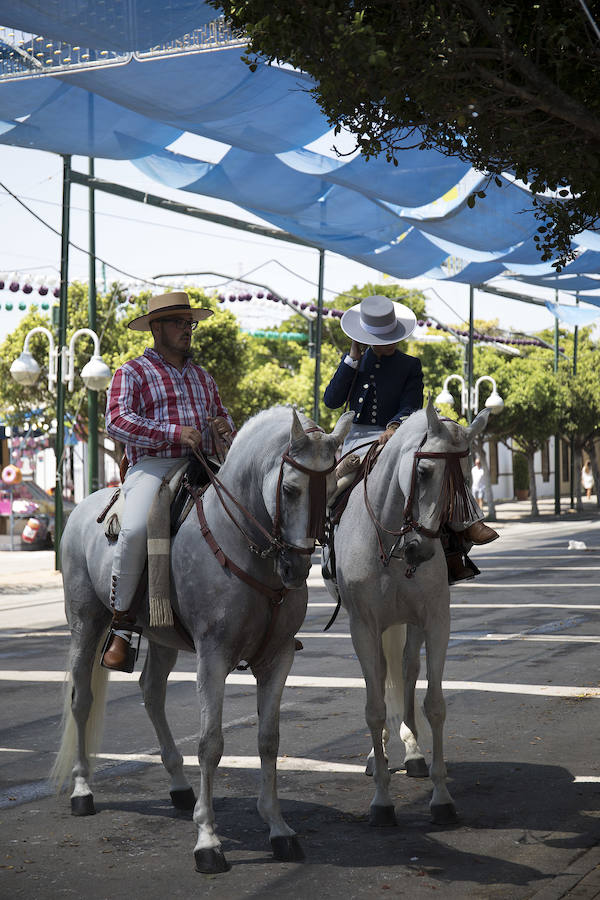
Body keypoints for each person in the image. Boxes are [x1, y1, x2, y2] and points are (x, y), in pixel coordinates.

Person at [101, 291, 235, 671]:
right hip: (154, 468)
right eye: (178, 322)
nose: (186, 329)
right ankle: (122, 627)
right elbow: (116, 421)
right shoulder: (132, 371)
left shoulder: (203, 377)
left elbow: (222, 419)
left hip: (203, 464)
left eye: (189, 323)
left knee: (250, 515)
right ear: (156, 327)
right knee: (135, 529)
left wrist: (225, 429)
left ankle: (263, 619)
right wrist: (173, 433)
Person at [323, 294, 498, 545]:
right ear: (367, 339)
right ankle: (324, 534)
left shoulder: (409, 365)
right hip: (359, 440)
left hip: (399, 435)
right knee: (339, 484)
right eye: (382, 339)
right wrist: (352, 359)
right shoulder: (353, 363)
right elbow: (331, 401)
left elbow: (410, 403)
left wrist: (394, 425)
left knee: (437, 469)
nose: (390, 343)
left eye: (392, 337)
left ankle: (465, 527)